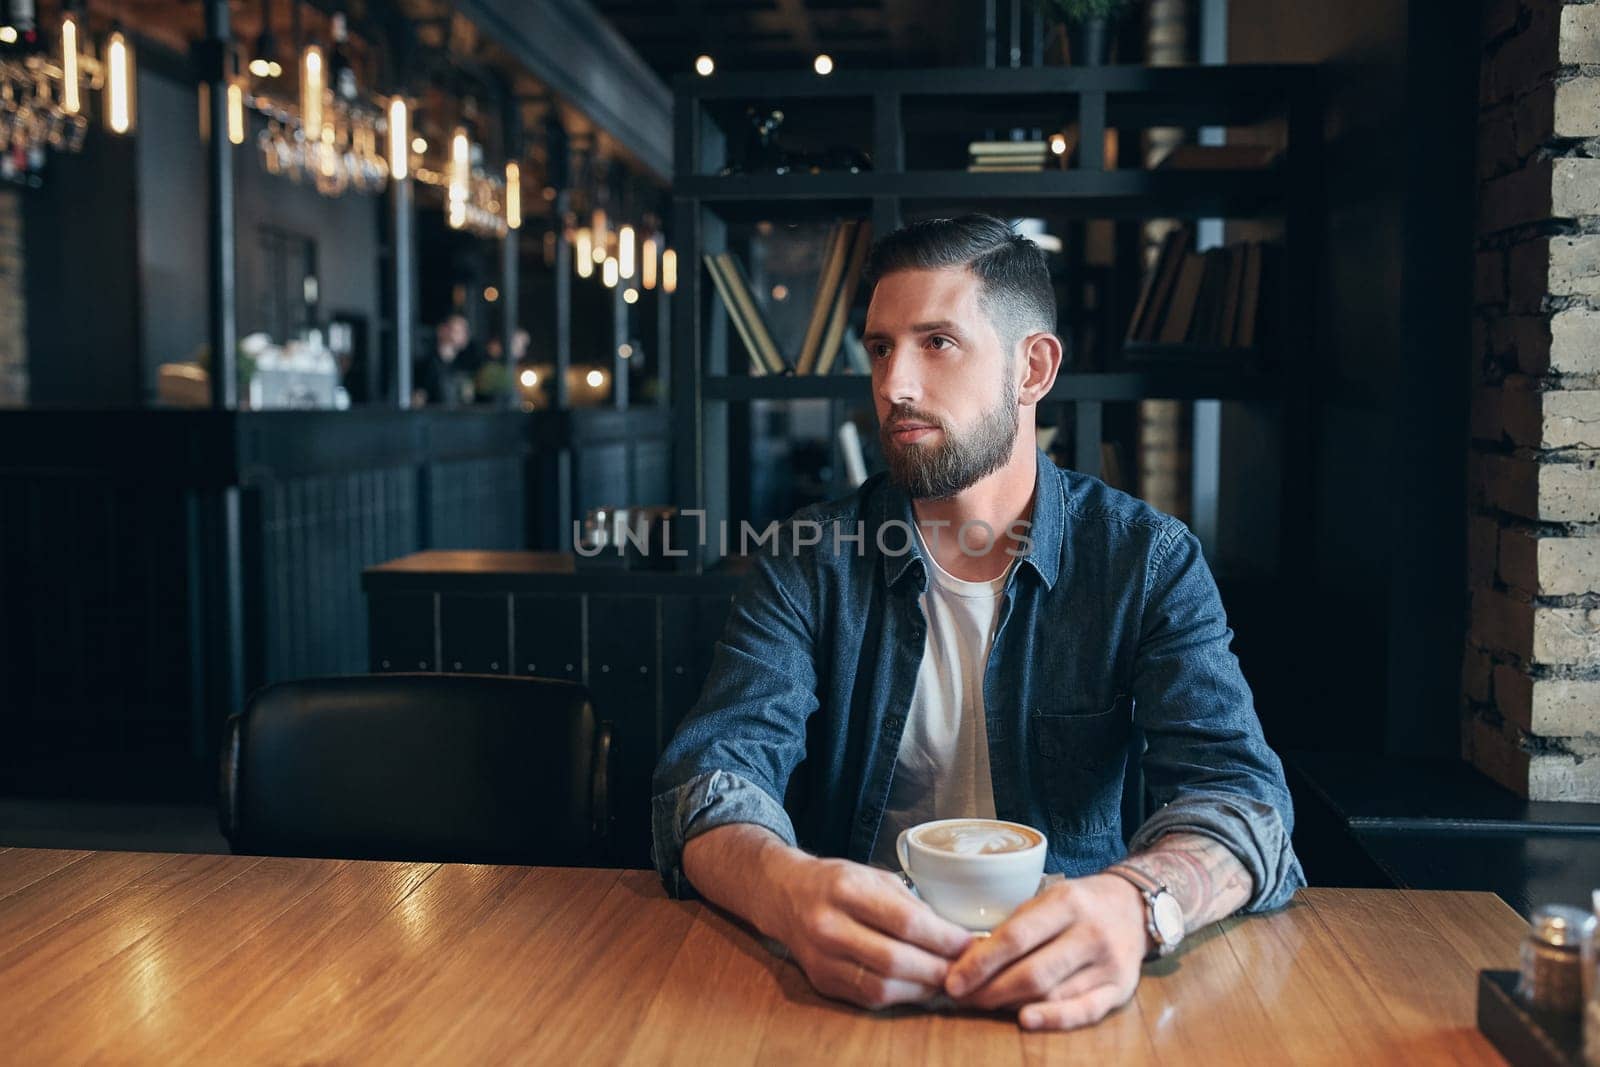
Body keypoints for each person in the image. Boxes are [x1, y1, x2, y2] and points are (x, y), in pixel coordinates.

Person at [651, 214, 1303, 1032]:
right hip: (850, 989)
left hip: (1074, 990)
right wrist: (787, 892)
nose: (894, 385)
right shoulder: (808, 558)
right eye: (881, 348)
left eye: (937, 343)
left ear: (1033, 367)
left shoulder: (1145, 561)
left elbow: (1244, 802)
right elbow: (708, 781)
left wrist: (1139, 906)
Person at [412, 313, 481, 406]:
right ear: (441, 331)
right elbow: (417, 400)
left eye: (465, 331)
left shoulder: (466, 364)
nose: (464, 335)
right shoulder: (426, 366)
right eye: (457, 331)